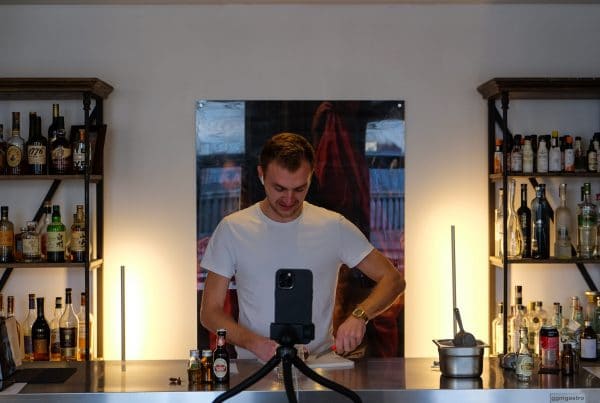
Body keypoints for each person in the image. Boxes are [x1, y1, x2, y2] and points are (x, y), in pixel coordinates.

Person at [200, 132, 405, 362]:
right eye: (279, 188)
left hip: (319, 366)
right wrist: (253, 343)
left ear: (311, 176)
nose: (289, 199)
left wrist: (360, 315)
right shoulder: (232, 229)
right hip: (255, 367)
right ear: (261, 175)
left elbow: (393, 280)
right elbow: (210, 312)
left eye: (299, 189)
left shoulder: (333, 226)